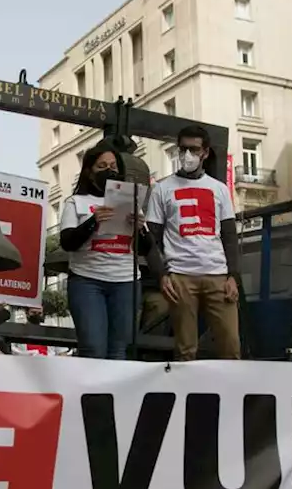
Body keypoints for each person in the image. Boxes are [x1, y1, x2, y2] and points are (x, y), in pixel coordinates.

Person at [145, 126, 241, 360]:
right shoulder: (161, 189)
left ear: (205, 153)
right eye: (184, 148)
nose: (188, 154)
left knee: (231, 345)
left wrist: (233, 276)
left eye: (194, 149)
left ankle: (231, 394)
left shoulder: (219, 189)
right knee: (185, 349)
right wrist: (162, 275)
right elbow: (152, 238)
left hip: (217, 274)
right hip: (180, 276)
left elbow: (229, 234)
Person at [59, 141, 153, 359]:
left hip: (125, 283)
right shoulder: (76, 202)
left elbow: (147, 248)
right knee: (93, 348)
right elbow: (68, 242)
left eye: (113, 166)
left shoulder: (132, 202)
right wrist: (93, 221)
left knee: (118, 350)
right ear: (90, 173)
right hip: (87, 281)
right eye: (102, 166)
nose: (109, 171)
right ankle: (89, 393)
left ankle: (113, 394)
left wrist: (140, 229)